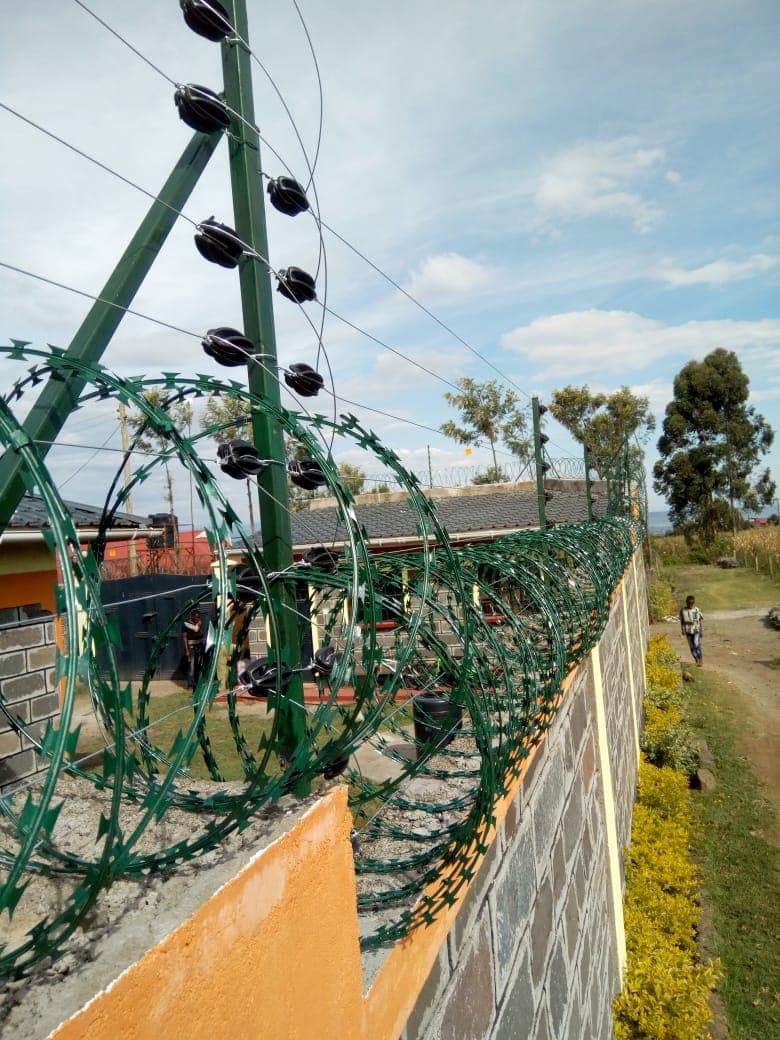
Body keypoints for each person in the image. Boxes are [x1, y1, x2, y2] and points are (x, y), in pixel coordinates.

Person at [182, 608, 205, 689]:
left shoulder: (198, 623)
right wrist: (187, 650)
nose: (198, 618)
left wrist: (200, 626)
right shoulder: (186, 624)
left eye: (199, 617)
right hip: (191, 647)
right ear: (191, 616)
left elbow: (201, 633)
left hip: (199, 646)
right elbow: (184, 637)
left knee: (199, 666)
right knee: (191, 667)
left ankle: (198, 683)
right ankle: (190, 685)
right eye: (196, 617)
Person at [679, 595, 704, 667]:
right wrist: (682, 629)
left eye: (692, 603)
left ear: (694, 603)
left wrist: (701, 631)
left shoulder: (697, 610)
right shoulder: (683, 610)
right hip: (688, 631)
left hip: (696, 629)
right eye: (689, 603)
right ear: (686, 602)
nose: (690, 604)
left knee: (696, 644)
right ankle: (696, 659)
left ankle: (700, 660)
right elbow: (682, 621)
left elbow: (700, 621)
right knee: (692, 646)